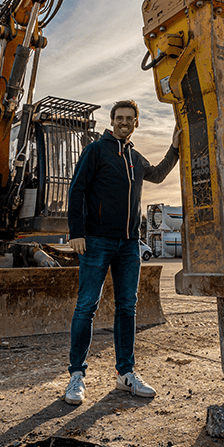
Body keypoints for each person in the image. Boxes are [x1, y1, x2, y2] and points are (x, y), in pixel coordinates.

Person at [63, 100, 180, 406]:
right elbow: (76, 190)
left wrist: (175, 149)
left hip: (129, 244)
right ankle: (76, 375)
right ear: (112, 121)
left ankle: (125, 374)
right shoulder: (96, 150)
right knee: (86, 307)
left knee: (127, 308)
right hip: (96, 241)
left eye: (130, 118)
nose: (124, 122)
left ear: (136, 123)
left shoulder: (134, 157)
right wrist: (76, 232)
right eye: (119, 118)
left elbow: (156, 175)